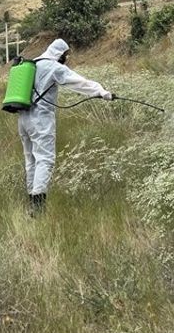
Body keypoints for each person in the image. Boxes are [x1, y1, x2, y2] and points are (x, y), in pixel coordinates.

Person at [18, 38, 112, 216]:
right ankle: (38, 208)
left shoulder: (32, 64)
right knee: (45, 160)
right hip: (41, 120)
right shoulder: (53, 67)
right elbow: (79, 82)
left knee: (31, 160)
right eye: (66, 55)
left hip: (23, 118)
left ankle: (31, 202)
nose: (66, 59)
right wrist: (101, 92)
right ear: (60, 54)